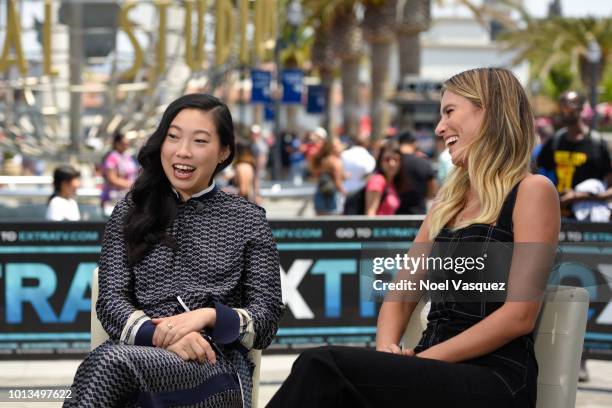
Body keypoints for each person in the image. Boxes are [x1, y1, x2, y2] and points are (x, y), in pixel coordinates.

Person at [267, 68, 560, 408]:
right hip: (431, 367)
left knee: (321, 366)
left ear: (491, 112)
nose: (439, 128)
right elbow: (400, 297)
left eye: (450, 112)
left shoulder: (533, 191)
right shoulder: (448, 203)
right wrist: (388, 352)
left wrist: (420, 362)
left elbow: (519, 316)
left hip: (494, 378)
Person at [66, 94, 284, 408]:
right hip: (137, 362)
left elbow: (266, 320)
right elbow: (110, 300)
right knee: (110, 366)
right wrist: (164, 335)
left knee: (107, 363)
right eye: (173, 137)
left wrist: (208, 317)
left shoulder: (248, 219)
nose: (182, 152)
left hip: (213, 370)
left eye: (199, 141)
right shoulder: (130, 210)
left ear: (223, 152)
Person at [536, 91, 612, 221]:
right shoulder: (555, 141)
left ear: (582, 108)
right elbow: (536, 175)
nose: (566, 109)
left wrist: (579, 196)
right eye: (562, 104)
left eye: (571, 104)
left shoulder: (597, 144)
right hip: (558, 217)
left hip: (588, 221)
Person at [396, 130, 438, 214]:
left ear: (399, 143)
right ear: (414, 143)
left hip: (394, 216)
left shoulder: (393, 162)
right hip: (418, 215)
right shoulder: (424, 162)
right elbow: (433, 189)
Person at [100, 132, 138, 217]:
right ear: (117, 144)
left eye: (127, 144)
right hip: (113, 200)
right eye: (124, 144)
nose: (126, 146)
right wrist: (133, 185)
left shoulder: (128, 156)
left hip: (127, 198)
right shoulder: (112, 158)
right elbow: (112, 179)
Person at [364, 140, 405, 216]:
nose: (392, 164)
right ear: (380, 161)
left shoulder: (391, 183)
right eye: (387, 159)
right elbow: (370, 214)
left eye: (396, 159)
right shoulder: (377, 181)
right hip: (377, 227)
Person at [341, 134, 376, 214]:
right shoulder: (368, 158)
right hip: (360, 194)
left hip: (343, 192)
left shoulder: (344, 154)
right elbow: (369, 174)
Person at [311, 137, 346, 215]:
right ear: (333, 148)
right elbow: (338, 182)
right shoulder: (336, 161)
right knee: (335, 224)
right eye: (339, 145)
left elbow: (315, 175)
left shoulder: (323, 160)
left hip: (320, 194)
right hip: (332, 197)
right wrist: (344, 193)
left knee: (320, 224)